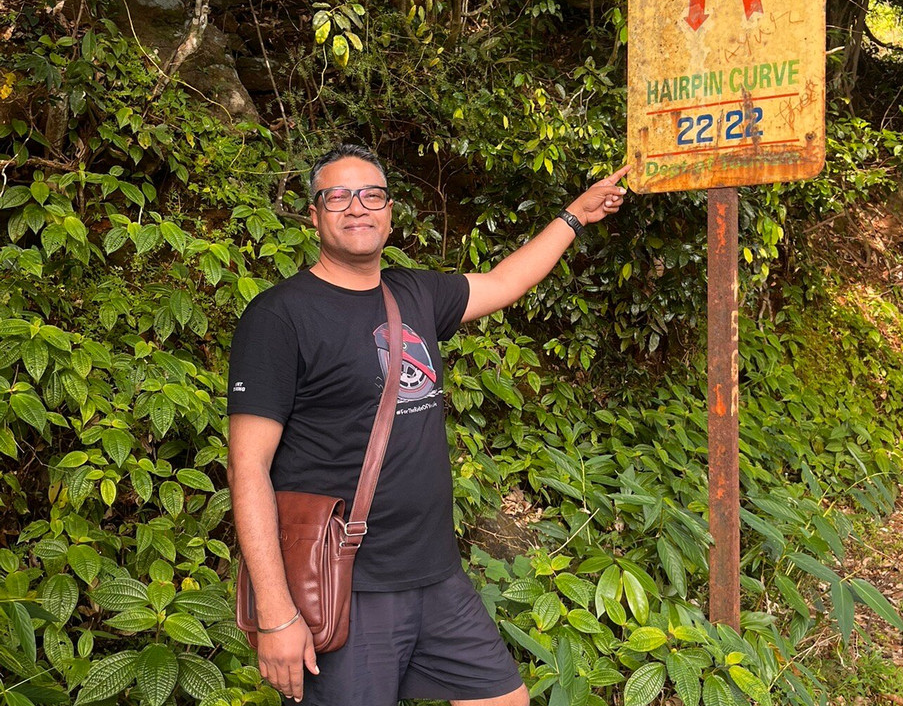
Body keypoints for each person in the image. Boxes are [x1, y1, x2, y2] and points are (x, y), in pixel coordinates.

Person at [227, 144, 629, 706]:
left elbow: (505, 281)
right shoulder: (278, 317)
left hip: (437, 576)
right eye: (337, 196)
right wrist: (273, 614)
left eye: (372, 195)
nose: (357, 207)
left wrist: (574, 216)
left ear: (390, 212)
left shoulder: (412, 291)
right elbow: (247, 469)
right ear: (313, 215)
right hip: (347, 585)